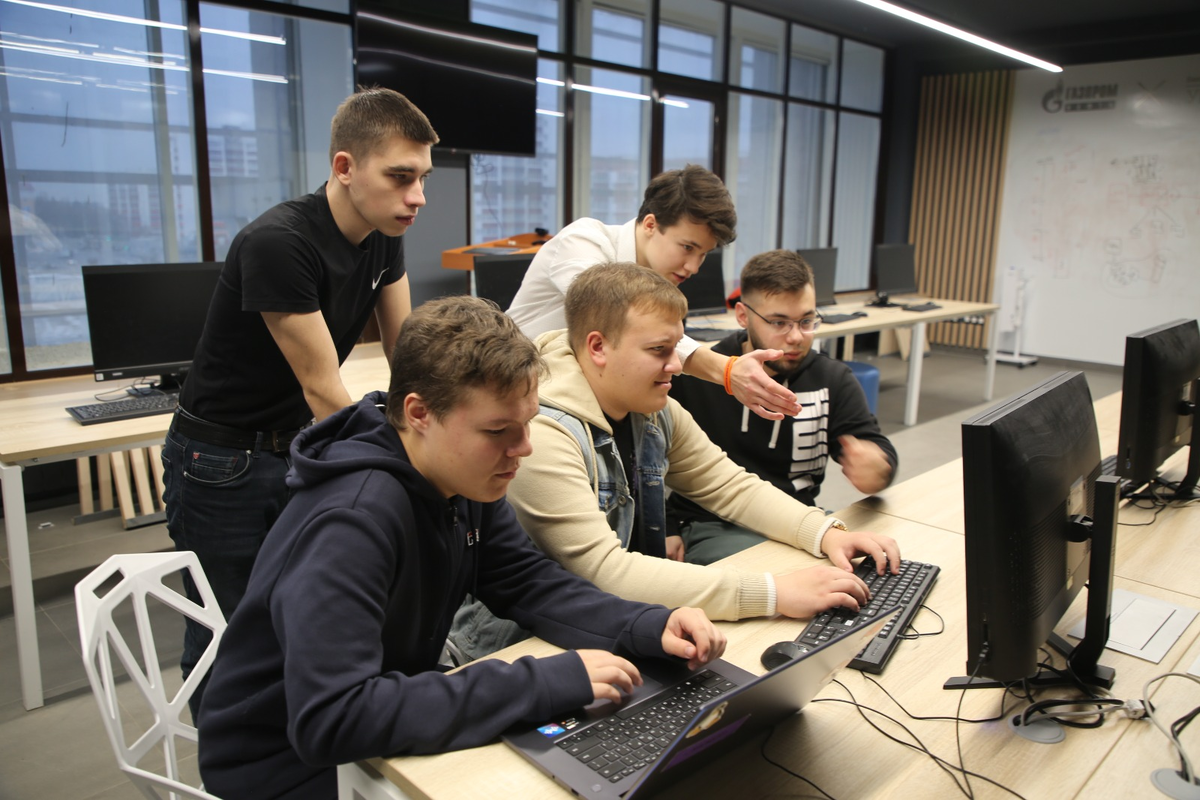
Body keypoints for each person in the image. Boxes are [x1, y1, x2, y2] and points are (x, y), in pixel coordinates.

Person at [196, 296, 725, 800]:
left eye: (527, 423)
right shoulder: (351, 522)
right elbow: (333, 718)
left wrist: (645, 625)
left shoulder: (456, 476)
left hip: (382, 710)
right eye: (498, 430)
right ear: (419, 413)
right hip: (282, 765)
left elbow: (528, 582)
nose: (523, 448)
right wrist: (542, 682)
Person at [450, 262, 900, 662]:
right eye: (659, 350)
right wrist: (773, 593)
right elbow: (605, 572)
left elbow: (729, 486)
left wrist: (825, 533)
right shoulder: (546, 430)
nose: (677, 366)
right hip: (519, 650)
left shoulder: (652, 408)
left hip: (613, 625)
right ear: (598, 347)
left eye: (676, 349)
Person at [162, 87, 434, 710]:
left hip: (295, 446)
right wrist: (402, 463)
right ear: (345, 167)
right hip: (223, 460)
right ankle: (225, 757)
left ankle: (290, 745)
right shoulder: (278, 242)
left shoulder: (383, 234)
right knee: (228, 634)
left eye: (422, 179)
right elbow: (322, 387)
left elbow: (408, 356)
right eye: (400, 177)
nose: (417, 196)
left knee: (298, 613)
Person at [506, 164, 800, 421]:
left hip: (584, 397)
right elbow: (616, 315)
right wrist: (726, 369)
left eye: (703, 254)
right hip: (518, 393)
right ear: (650, 224)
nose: (693, 267)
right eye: (687, 247)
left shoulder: (657, 283)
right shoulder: (584, 241)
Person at [666, 250, 898, 565]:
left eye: (807, 321)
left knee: (869, 564)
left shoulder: (832, 378)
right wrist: (667, 525)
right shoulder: (700, 375)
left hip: (800, 519)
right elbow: (647, 460)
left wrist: (877, 468)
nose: (796, 337)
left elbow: (875, 447)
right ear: (743, 315)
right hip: (714, 522)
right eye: (779, 322)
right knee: (792, 579)